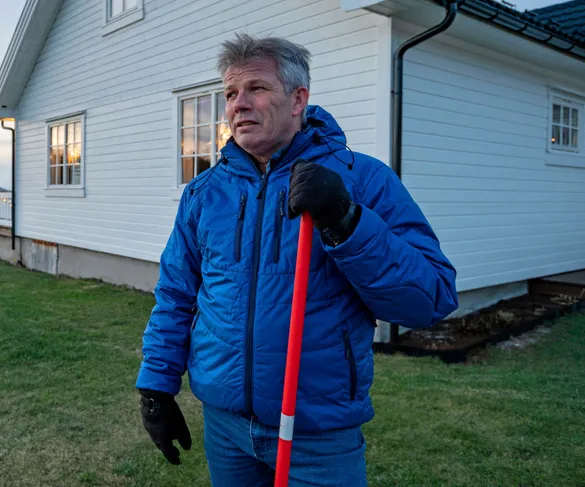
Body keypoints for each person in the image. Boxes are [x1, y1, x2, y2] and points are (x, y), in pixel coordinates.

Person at [135, 33, 459, 486]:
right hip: (226, 427)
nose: (238, 104)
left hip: (317, 433)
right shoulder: (204, 193)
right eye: (230, 93)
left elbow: (430, 299)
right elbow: (175, 295)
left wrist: (346, 221)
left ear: (297, 99)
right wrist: (156, 387)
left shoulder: (361, 179)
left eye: (257, 89)